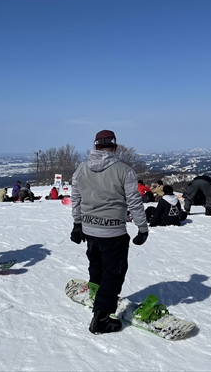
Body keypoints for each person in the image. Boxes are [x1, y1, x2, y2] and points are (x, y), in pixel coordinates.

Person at [71, 129, 149, 335]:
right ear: (115, 146)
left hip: (89, 228)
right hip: (113, 232)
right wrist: (142, 228)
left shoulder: (80, 169)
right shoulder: (124, 170)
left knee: (96, 265)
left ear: (95, 146)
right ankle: (102, 318)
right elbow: (134, 201)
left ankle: (96, 295)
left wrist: (77, 224)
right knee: (113, 273)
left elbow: (76, 199)